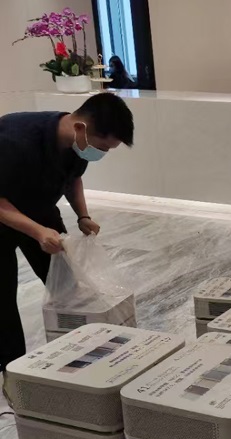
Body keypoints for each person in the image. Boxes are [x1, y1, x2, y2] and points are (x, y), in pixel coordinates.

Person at [0, 93, 134, 373]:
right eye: (103, 148)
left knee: (67, 283)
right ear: (81, 128)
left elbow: (73, 179)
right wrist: (37, 231)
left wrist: (82, 216)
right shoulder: (15, 142)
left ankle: (78, 350)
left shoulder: (76, 143)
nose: (101, 154)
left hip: (39, 208)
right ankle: (11, 371)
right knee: (3, 303)